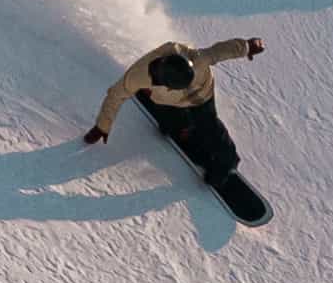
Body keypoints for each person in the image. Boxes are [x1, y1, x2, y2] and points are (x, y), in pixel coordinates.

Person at [87, 37, 272, 222]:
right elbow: (115, 95)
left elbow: (223, 49)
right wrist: (102, 126)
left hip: (202, 97)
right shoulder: (137, 76)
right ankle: (183, 128)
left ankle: (225, 164)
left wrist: (248, 46)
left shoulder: (197, 57)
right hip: (170, 102)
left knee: (209, 127)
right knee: (171, 126)